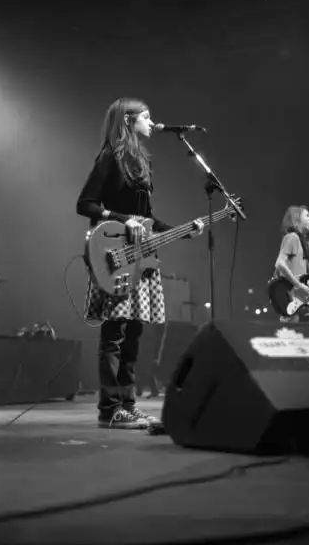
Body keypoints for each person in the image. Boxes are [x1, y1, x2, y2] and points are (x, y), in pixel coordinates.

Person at [76, 97, 203, 429]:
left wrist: (180, 231)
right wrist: (121, 219)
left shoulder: (141, 161)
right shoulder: (110, 157)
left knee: (134, 335)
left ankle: (128, 407)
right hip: (115, 256)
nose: (151, 122)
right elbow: (85, 203)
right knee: (115, 335)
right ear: (127, 121)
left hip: (140, 259)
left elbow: (147, 218)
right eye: (146, 117)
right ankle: (109, 410)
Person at [272, 205, 309, 323]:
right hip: (291, 301)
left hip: (300, 304)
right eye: (307, 216)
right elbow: (279, 264)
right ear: (297, 219)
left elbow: (301, 278)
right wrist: (300, 286)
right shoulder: (292, 237)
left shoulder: (300, 244)